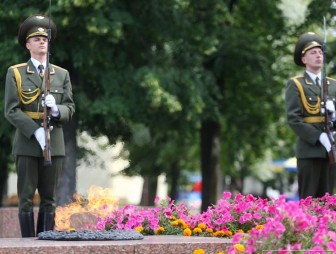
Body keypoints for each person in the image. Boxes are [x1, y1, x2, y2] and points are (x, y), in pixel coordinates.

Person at [4, 15, 75, 237]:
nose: (42, 42)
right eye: (36, 38)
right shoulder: (15, 72)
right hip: (27, 142)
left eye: (44, 38)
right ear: (28, 44)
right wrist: (35, 131)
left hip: (54, 142)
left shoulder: (61, 74)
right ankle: (27, 244)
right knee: (25, 197)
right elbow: (11, 110)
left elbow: (70, 108)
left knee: (50, 197)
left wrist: (56, 110)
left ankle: (45, 241)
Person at [285, 32, 336, 199]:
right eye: (313, 53)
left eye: (320, 52)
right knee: (309, 200)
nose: (318, 55)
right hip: (309, 150)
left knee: (328, 200)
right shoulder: (296, 84)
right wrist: (318, 137)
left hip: (331, 149)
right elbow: (294, 119)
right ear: (304, 59)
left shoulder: (332, 85)